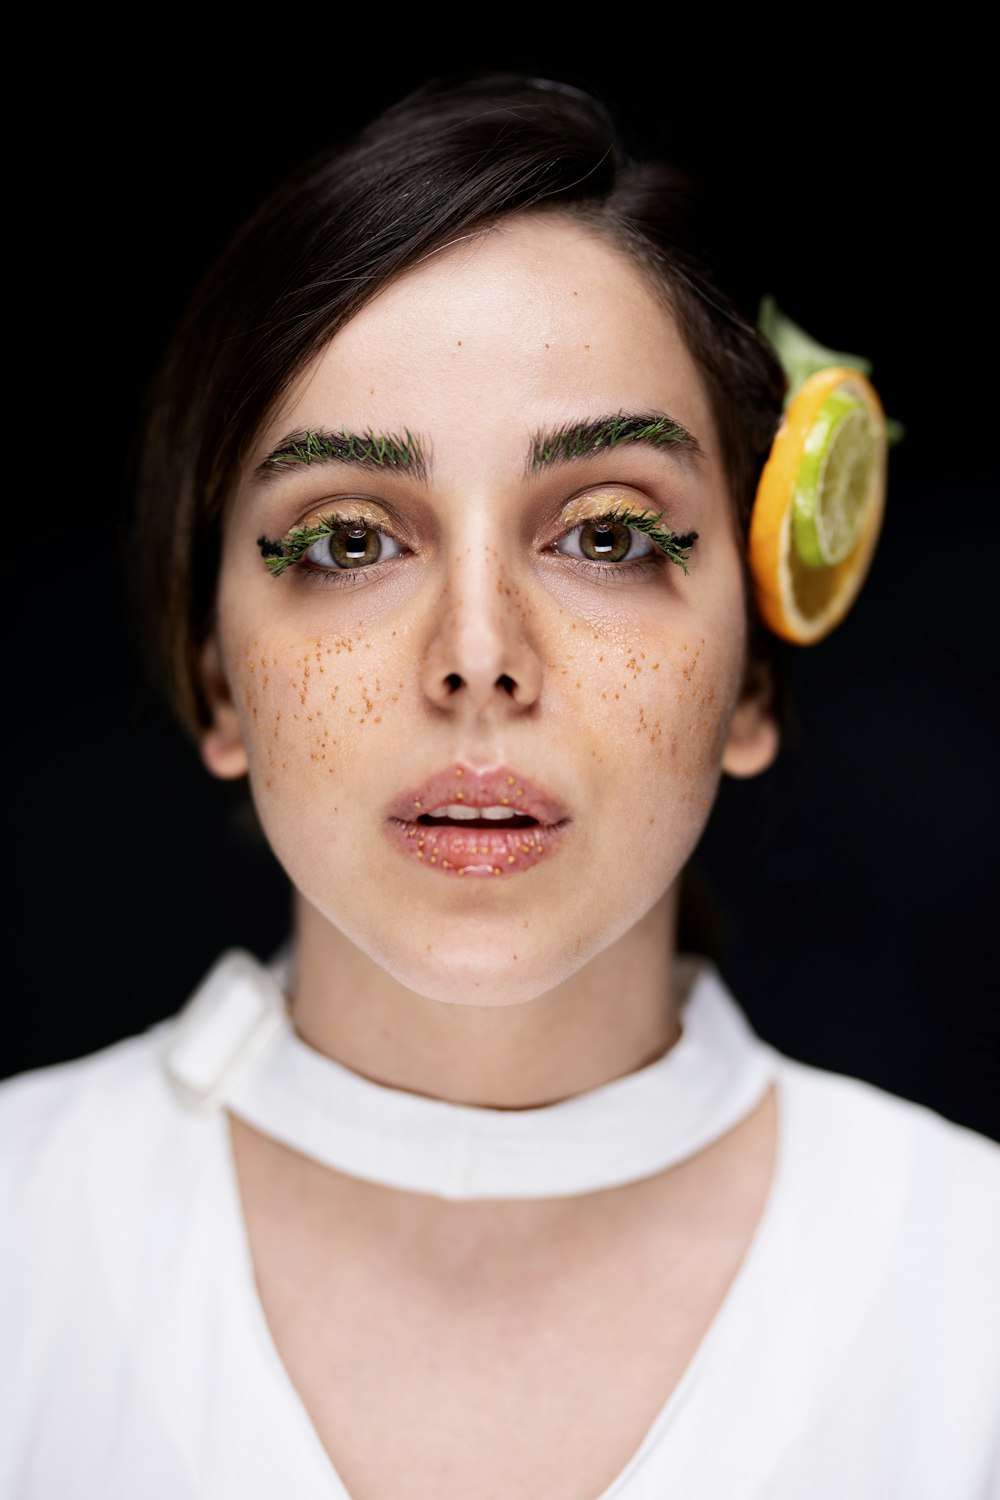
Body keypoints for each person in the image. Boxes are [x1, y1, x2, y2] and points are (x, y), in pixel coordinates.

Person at [2, 73, 998, 1500]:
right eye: (347, 541)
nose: (478, 656)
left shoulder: (973, 1299)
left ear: (753, 683)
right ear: (217, 676)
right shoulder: (17, 1252)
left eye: (604, 534)